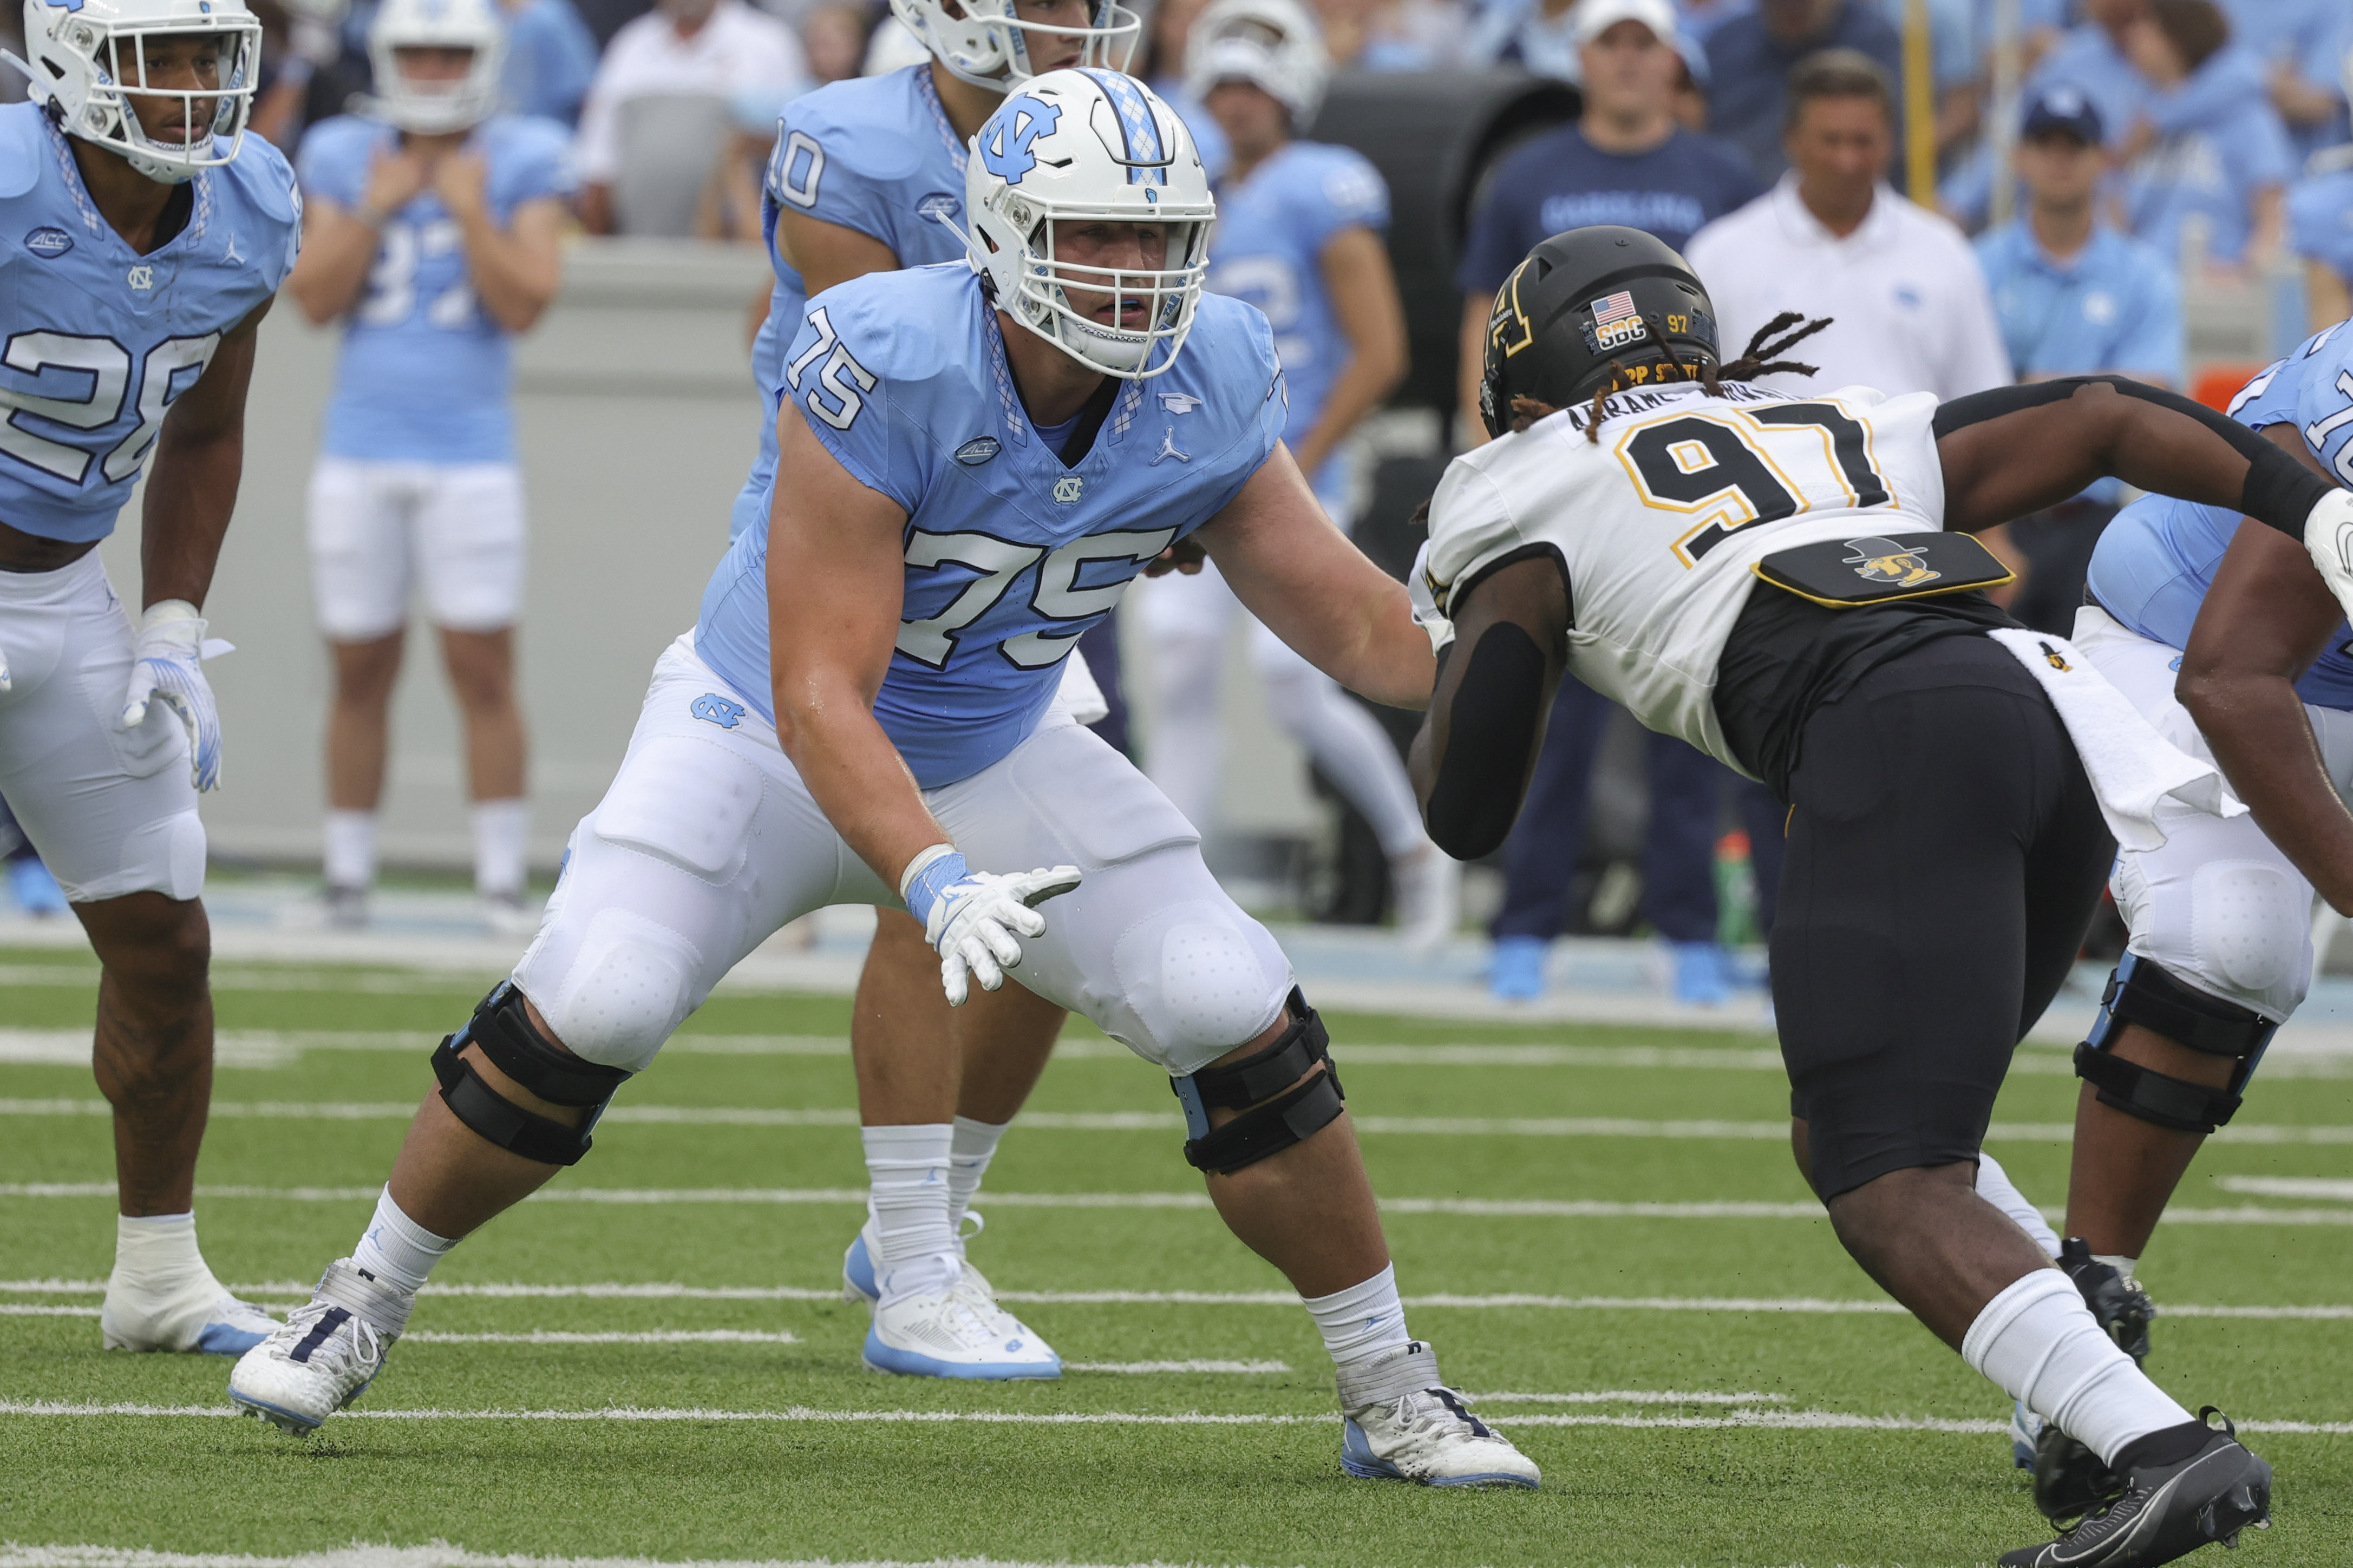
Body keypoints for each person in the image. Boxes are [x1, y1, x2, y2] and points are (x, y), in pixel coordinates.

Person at [228, 70, 1542, 1493]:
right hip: (755, 735)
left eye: (1159, 237)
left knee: (1230, 999)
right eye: (1095, 235)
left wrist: (1527, 638)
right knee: (597, 997)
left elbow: (1352, 624)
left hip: (995, 743)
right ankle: (361, 1295)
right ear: (1005, 233)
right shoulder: (889, 352)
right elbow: (818, 693)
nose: (1133, 270)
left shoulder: (1210, 366)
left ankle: (1389, 1382)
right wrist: (932, 875)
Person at [1410, 224, 2330, 1564]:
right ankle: (2076, 1343)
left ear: (1520, 386)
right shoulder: (1813, 418)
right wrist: (2312, 504)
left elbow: (1467, 804)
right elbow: (2101, 413)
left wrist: (1466, 635)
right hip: (2046, 716)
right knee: (1873, 1128)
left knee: (1884, 1171)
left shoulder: (1515, 481)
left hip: (1893, 737)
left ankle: (2157, 1451)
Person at [727, 0, 1140, 1374]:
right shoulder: (849, 141)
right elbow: (906, 369)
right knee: (933, 882)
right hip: (861, 534)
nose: (1074, 24)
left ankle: (935, 1202)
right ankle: (916, 1253)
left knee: (1047, 905)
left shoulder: (1121, 139)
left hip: (1016, 541)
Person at [1982, 325, 2353, 1525]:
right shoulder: (2342, 413)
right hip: (2190, 642)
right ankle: (2089, 1300)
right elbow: (2231, 675)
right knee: (2231, 933)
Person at [0, 0, 299, 1352]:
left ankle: (159, 1276)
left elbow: (209, 428)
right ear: (72, 63)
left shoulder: (250, 208)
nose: (189, 88)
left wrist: (172, 618)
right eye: (156, 60)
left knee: (165, 933)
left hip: (65, 596)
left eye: (204, 57)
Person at [1452, 0, 1766, 1003]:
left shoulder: (1723, 177)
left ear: (1671, 60)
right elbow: (1485, 315)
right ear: (1581, 56)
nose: (1627, 62)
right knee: (1550, 712)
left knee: (1687, 707)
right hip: (1566, 479)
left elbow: (1745, 325)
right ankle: (1525, 923)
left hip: (1679, 480)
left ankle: (1688, 930)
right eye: (1611, 43)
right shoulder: (1527, 174)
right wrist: (1485, 447)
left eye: (1644, 44)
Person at [1135, 0, 1459, 951]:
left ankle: (1414, 849)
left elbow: (1381, 350)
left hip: (1291, 465)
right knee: (1178, 667)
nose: (1237, 103)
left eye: (1254, 86)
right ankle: (1167, 886)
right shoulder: (1195, 194)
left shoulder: (1321, 186)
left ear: (1293, 91)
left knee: (1291, 678)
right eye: (1224, 86)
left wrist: (1300, 458)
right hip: (1192, 468)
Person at [289, 0, 572, 933]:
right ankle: (347, 878)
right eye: (418, 52)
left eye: (452, 54)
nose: (435, 71)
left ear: (482, 59)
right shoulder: (343, 150)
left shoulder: (523, 153)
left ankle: (500, 881)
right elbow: (313, 298)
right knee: (356, 669)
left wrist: (465, 208)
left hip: (470, 454)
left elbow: (527, 301)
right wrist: (380, 202)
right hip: (359, 448)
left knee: (483, 668)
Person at [1686, 49, 2009, 404]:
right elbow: (1689, 397)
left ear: (1889, 141)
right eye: (1831, 140)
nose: (1847, 161)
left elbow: (1985, 400)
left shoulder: (1944, 253)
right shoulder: (1719, 256)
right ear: (1791, 139)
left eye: (1862, 141)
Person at [1974, 86, 2181, 634]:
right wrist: (2095, 392)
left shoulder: (2143, 274)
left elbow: (2154, 395)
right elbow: (1958, 392)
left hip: (2094, 519)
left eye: (2075, 146)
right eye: (2046, 145)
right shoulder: (1976, 265)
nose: (2060, 160)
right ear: (2019, 157)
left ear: (2102, 159)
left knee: (2096, 671)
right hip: (1996, 516)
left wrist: (2028, 385)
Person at [572, 0, 809, 234]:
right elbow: (598, 161)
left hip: (735, 240)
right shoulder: (631, 44)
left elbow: (796, 153)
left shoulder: (769, 42)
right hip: (640, 238)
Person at [2114, 0, 2290, 277]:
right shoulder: (2145, 118)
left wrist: (2244, 273)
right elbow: (2118, 214)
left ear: (2177, 36)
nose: (2131, 36)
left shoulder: (2247, 117)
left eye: (2146, 25)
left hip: (2214, 291)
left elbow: (2274, 219)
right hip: (2146, 286)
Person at [1702, 0, 1903, 187]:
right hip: (1739, 200)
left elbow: (1899, 144)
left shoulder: (1878, 43)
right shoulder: (1726, 46)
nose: (1793, 6)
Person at [498, 0, 600, 125]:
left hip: (549, 127)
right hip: (493, 128)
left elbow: (585, 95)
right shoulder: (482, 12)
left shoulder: (548, 17)